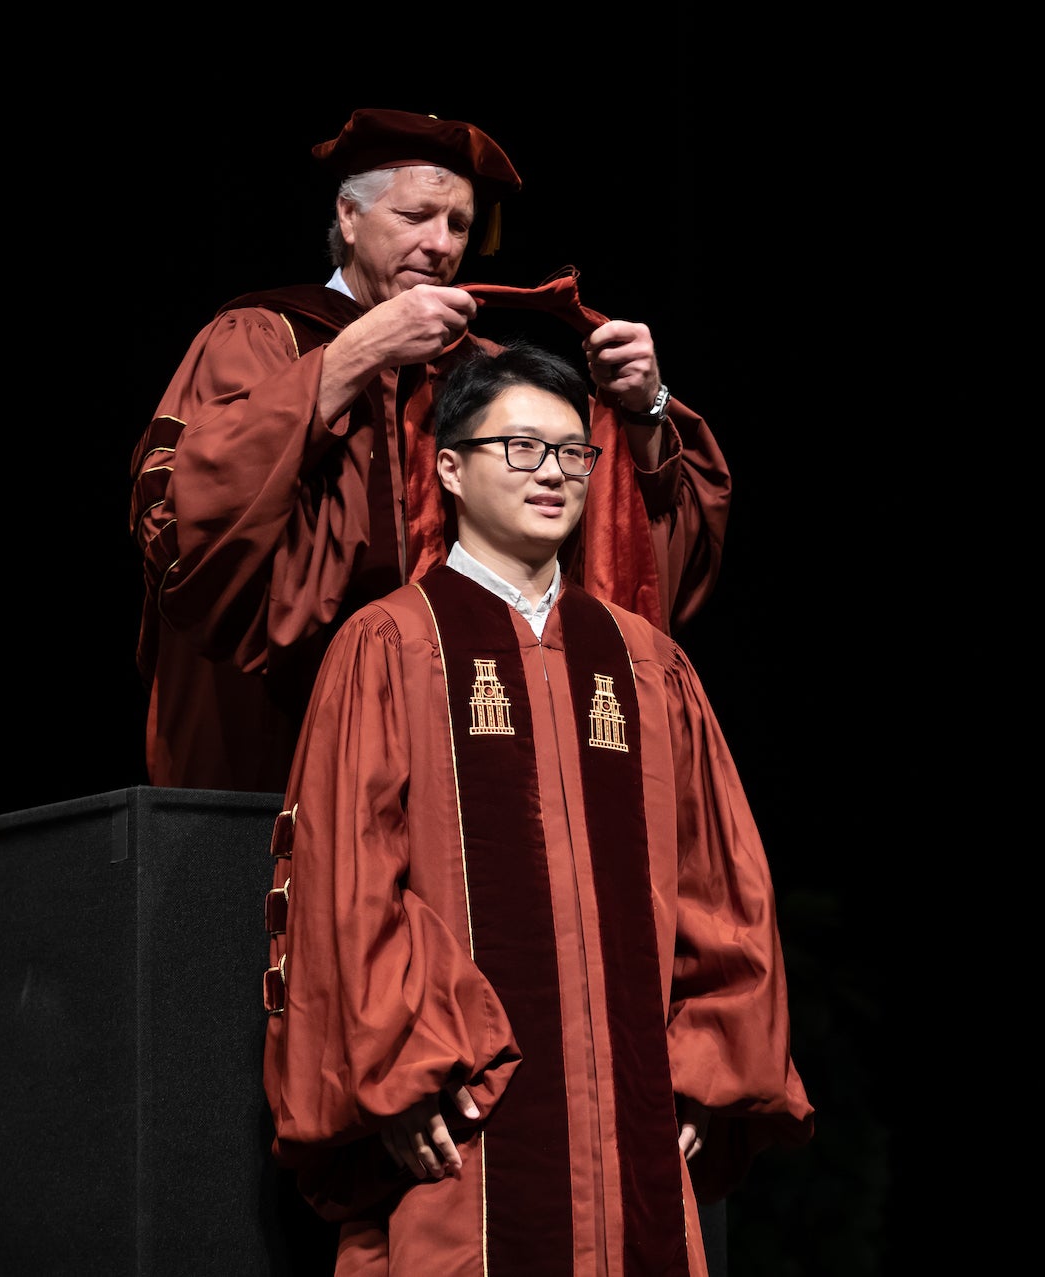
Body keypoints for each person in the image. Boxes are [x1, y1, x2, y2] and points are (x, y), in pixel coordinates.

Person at [259, 341, 812, 1275]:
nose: (553, 473)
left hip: (633, 1124)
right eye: (520, 448)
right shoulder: (392, 644)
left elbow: (720, 882)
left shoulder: (643, 663)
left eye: (571, 452)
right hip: (466, 1129)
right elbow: (344, 888)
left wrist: (707, 1067)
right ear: (450, 467)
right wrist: (398, 1074)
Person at [131, 106, 734, 793]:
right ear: (349, 219)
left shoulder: (484, 371)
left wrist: (643, 408)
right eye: (416, 217)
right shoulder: (265, 338)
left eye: (458, 226)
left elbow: (618, 543)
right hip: (280, 737)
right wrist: (362, 350)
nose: (441, 245)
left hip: (456, 746)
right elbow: (185, 519)